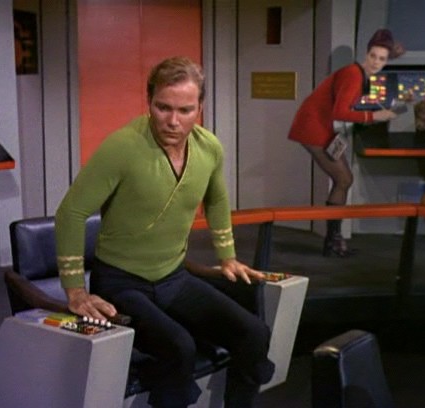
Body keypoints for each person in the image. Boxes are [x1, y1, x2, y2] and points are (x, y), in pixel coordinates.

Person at [55, 56, 275, 408]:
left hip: (174, 278)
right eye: (163, 107)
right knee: (179, 347)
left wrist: (228, 257)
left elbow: (217, 199)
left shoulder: (209, 147)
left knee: (254, 333)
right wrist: (75, 290)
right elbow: (71, 212)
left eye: (185, 110)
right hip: (121, 283)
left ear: (200, 107)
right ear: (149, 101)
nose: (173, 121)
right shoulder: (122, 146)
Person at [288, 28, 405, 257]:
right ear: (366, 54)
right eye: (373, 56)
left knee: (343, 179)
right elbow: (339, 112)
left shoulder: (358, 74)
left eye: (382, 59)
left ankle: (333, 240)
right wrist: (374, 116)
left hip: (319, 126)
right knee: (344, 179)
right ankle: (333, 241)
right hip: (314, 128)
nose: (376, 62)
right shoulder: (353, 74)